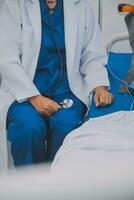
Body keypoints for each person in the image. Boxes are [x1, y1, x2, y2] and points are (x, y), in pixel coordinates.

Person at [0, 0, 113, 167]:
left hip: (67, 90)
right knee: (27, 128)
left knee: (67, 128)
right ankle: (29, 188)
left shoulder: (81, 6)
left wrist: (99, 86)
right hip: (24, 91)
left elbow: (92, 55)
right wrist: (35, 97)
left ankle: (56, 188)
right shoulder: (15, 4)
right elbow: (7, 58)